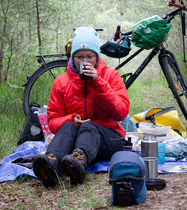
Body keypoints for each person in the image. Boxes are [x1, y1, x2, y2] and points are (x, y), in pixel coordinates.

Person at [33, 26, 130, 188]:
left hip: (108, 139)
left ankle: (78, 163)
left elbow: (121, 112)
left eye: (90, 56)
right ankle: (50, 163)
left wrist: (98, 82)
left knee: (89, 126)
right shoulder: (61, 82)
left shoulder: (111, 76)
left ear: (97, 57)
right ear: (72, 58)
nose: (85, 61)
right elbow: (52, 122)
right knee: (69, 125)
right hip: (75, 141)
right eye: (79, 57)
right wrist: (71, 119)